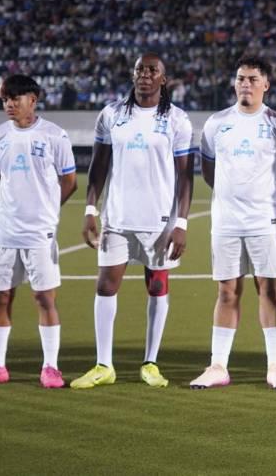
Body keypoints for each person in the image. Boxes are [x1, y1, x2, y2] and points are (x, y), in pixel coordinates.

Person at [72, 53, 195, 390]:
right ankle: (103, 365)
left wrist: (181, 222)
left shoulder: (176, 119)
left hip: (159, 220)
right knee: (105, 285)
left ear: (163, 79)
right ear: (133, 74)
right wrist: (90, 210)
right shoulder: (111, 115)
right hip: (118, 217)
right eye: (140, 69)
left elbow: (186, 177)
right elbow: (97, 167)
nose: (145, 74)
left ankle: (151, 363)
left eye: (152, 70)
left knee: (157, 287)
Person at [189, 56, 276, 390]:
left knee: (268, 289)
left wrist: (268, 200)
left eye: (253, 79)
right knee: (226, 291)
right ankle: (218, 366)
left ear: (266, 85)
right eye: (241, 78)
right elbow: (208, 169)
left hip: (264, 220)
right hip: (225, 220)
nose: (246, 84)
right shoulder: (216, 123)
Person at [0, 76, 76, 388]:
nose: (10, 105)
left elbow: (69, 182)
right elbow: (3, 178)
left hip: (39, 231)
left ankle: (51, 367)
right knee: (2, 296)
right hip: (5, 230)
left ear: (34, 99)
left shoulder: (55, 135)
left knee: (44, 297)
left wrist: (49, 211)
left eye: (16, 98)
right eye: (5, 100)